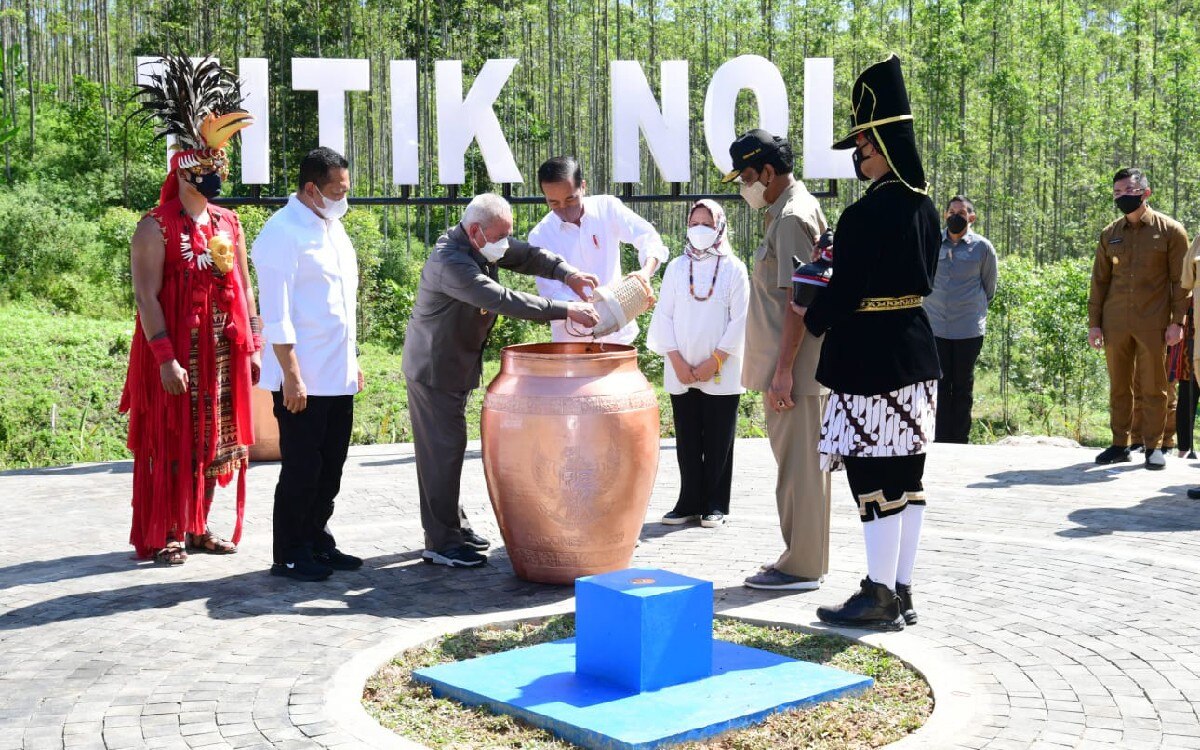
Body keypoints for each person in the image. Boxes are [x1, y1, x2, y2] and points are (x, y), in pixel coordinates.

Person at [796, 54, 941, 631]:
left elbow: (848, 291)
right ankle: (900, 591)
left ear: (880, 144)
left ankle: (879, 595)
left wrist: (810, 311)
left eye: (861, 142)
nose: (857, 152)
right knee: (908, 479)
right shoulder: (927, 208)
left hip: (870, 361)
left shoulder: (862, 216)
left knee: (873, 479)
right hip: (915, 350)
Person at [402, 193, 601, 568]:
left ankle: (453, 526)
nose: (504, 244)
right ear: (476, 231)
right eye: (499, 236)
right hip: (434, 370)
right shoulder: (451, 262)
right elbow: (504, 299)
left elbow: (527, 255)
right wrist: (566, 308)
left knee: (447, 451)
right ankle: (441, 541)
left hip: (454, 364)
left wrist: (566, 273)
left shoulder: (482, 243)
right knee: (441, 454)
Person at [121, 55, 259, 565]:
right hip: (177, 348)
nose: (215, 176)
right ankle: (170, 530)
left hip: (222, 349)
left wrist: (253, 346)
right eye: (206, 169)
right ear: (183, 171)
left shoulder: (229, 222)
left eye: (219, 168)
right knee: (174, 437)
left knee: (215, 436)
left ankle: (200, 525)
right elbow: (145, 296)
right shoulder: (153, 226)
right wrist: (164, 356)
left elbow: (245, 287)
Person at [719, 129, 831, 591]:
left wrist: (783, 371)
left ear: (768, 171)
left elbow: (798, 304)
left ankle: (802, 566)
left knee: (800, 470)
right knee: (800, 468)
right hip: (794, 370)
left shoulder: (789, 219)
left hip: (795, 373)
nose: (745, 186)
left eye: (747, 176)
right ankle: (800, 557)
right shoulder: (790, 210)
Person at [253, 147, 365, 583]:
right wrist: (293, 376)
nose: (344, 198)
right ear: (311, 188)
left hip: (337, 373)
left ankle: (318, 538)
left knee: (331, 465)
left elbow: (341, 305)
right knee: (302, 468)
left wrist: (352, 361)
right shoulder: (282, 233)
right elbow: (276, 313)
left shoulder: (333, 227)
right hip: (302, 377)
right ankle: (290, 551)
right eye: (337, 190)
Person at [647, 199, 749, 528]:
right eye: (695, 223)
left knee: (719, 437)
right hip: (681, 368)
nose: (700, 229)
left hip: (721, 368)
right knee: (687, 437)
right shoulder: (677, 267)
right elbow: (664, 315)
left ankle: (716, 504)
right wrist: (674, 358)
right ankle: (688, 501)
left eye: (707, 223)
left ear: (719, 227)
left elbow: (741, 320)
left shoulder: (734, 267)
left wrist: (716, 360)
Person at [1088, 167, 1190, 470]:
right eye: (1117, 192)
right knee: (1119, 385)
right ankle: (1120, 444)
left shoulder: (1171, 231)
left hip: (1154, 322)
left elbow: (1180, 282)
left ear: (1145, 192)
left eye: (1128, 191)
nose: (1122, 197)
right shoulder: (1110, 233)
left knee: (1155, 386)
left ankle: (1154, 446)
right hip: (1115, 321)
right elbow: (1099, 282)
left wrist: (1178, 322)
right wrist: (1095, 322)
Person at [529, 156, 669, 343]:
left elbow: (649, 238)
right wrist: (580, 309)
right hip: (571, 339)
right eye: (554, 203)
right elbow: (550, 292)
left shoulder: (607, 208)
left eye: (571, 199)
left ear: (583, 186)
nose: (564, 208)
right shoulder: (540, 235)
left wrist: (645, 273)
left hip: (618, 334)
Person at [924, 195, 998, 444]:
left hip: (968, 328)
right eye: (952, 211)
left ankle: (960, 439)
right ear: (945, 215)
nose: (956, 216)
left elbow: (989, 287)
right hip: (935, 327)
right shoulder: (932, 243)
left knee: (963, 385)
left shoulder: (982, 247)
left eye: (962, 212)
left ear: (972, 217)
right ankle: (940, 437)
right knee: (940, 384)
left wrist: (972, 309)